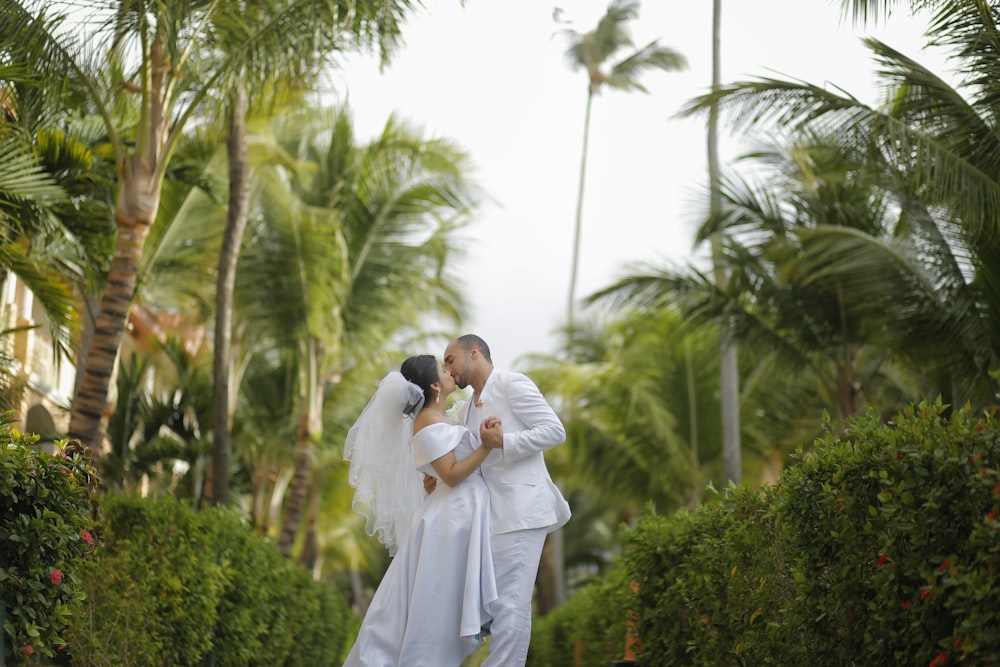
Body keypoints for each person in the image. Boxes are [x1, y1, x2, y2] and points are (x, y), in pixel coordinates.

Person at [342, 354, 505, 667]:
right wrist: (485, 445)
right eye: (443, 369)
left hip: (455, 513)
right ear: (434, 384)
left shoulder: (439, 418)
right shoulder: (428, 421)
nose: (449, 372)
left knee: (437, 604)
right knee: (434, 608)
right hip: (450, 519)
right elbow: (453, 475)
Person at [439, 334, 572, 667]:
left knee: (511, 603)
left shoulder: (513, 384)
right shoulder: (468, 408)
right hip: (493, 517)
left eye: (450, 360)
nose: (448, 370)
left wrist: (504, 441)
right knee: (498, 606)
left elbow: (554, 430)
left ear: (474, 353)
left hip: (523, 509)